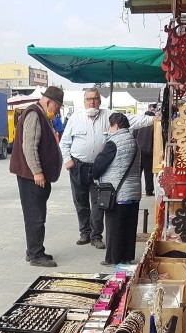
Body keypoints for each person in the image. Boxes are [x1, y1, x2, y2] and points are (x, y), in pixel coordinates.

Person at [60, 87, 156, 249]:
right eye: (89, 99)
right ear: (84, 102)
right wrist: (67, 159)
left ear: (100, 100)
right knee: (80, 201)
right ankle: (85, 232)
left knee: (99, 202)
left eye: (95, 98)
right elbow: (64, 142)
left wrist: (152, 120)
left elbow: (130, 120)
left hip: (100, 168)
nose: (92, 102)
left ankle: (96, 235)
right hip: (78, 166)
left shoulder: (108, 116)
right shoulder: (75, 118)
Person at [9, 86, 64, 268]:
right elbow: (29, 146)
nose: (57, 112)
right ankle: (35, 254)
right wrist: (37, 172)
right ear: (49, 102)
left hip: (34, 176)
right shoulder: (34, 114)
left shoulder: (41, 113)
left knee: (37, 214)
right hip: (31, 177)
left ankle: (34, 249)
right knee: (35, 216)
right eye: (57, 108)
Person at [91, 113, 141, 267]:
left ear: (116, 125)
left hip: (118, 192)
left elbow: (99, 164)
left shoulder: (114, 142)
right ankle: (126, 256)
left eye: (110, 126)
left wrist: (94, 173)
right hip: (133, 191)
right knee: (129, 226)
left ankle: (113, 258)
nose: (109, 129)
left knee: (114, 227)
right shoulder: (134, 141)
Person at [133, 108, 155, 196]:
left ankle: (136, 190)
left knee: (137, 173)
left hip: (138, 151)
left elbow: (133, 136)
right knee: (148, 172)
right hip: (149, 152)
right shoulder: (153, 126)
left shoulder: (139, 125)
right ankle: (149, 191)